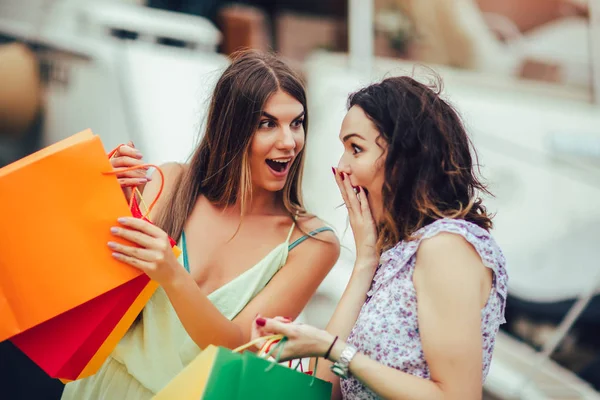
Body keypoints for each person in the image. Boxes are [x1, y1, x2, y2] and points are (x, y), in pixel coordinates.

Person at [62, 49, 340, 399]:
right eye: (267, 124)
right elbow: (87, 292)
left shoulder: (312, 243)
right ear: (231, 130)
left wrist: (172, 275)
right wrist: (102, 200)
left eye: (296, 123)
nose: (289, 142)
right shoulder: (170, 183)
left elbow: (237, 346)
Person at [251, 75, 508, 399]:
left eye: (356, 148)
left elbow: (456, 396)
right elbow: (319, 388)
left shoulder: (447, 247)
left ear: (405, 158)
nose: (342, 166)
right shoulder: (400, 253)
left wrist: (337, 351)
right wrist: (365, 261)